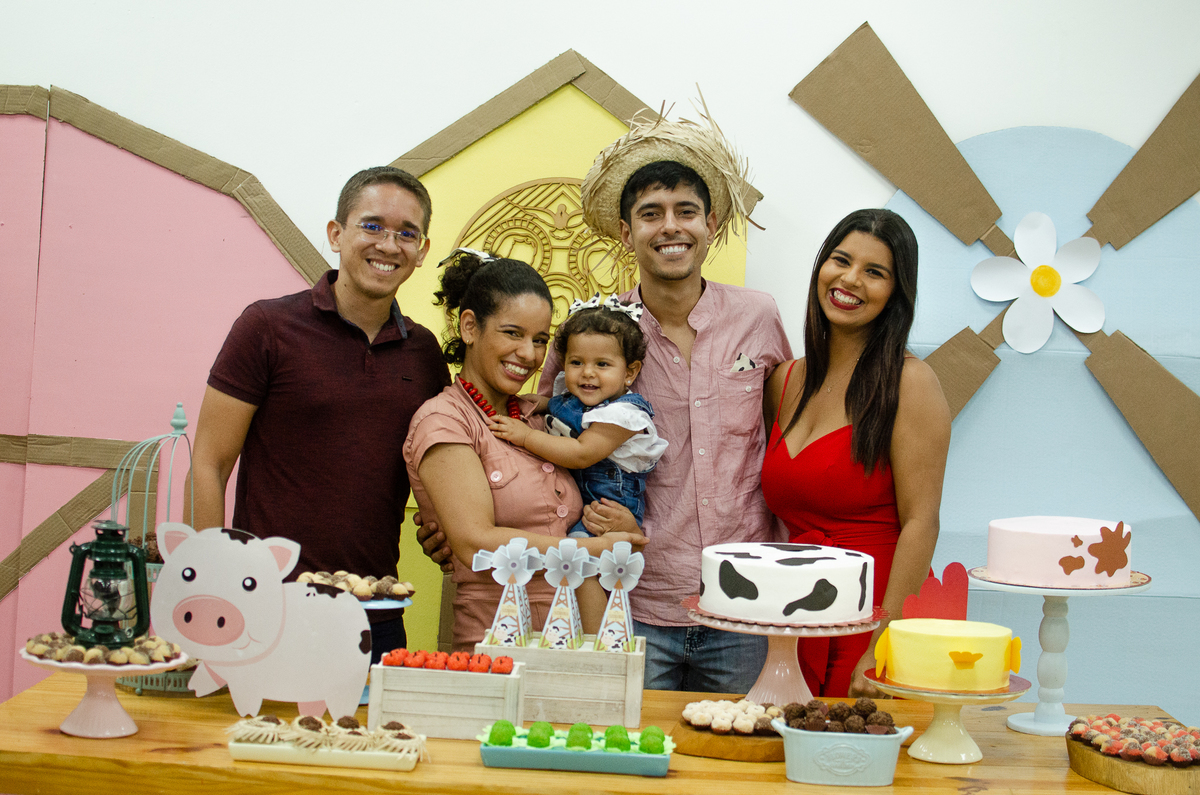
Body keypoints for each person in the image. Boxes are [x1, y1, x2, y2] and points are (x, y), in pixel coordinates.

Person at [189, 166, 450, 663]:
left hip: (376, 612)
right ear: (336, 234)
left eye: (406, 233)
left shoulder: (424, 353)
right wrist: (208, 583)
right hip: (265, 607)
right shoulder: (267, 327)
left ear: (422, 250)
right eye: (372, 225)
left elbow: (431, 467)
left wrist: (440, 524)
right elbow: (209, 462)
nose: (389, 245)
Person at [403, 250, 646, 651]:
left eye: (539, 340)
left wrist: (620, 525)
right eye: (513, 333)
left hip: (573, 635)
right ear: (469, 327)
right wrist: (588, 549)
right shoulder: (444, 421)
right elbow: (473, 541)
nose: (530, 355)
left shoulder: (538, 418)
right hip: (498, 638)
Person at [761, 208, 951, 698]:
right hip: (796, 612)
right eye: (841, 261)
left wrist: (883, 644)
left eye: (875, 272)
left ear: (896, 293)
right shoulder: (784, 380)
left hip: (873, 614)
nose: (850, 280)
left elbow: (922, 522)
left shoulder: (911, 383)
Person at [488, 296, 667, 539]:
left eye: (602, 364)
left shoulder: (625, 416)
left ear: (629, 372)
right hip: (576, 503)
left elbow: (581, 453)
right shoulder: (572, 398)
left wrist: (526, 436)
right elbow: (555, 405)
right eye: (576, 362)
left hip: (607, 511)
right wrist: (531, 402)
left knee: (578, 552)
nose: (587, 372)